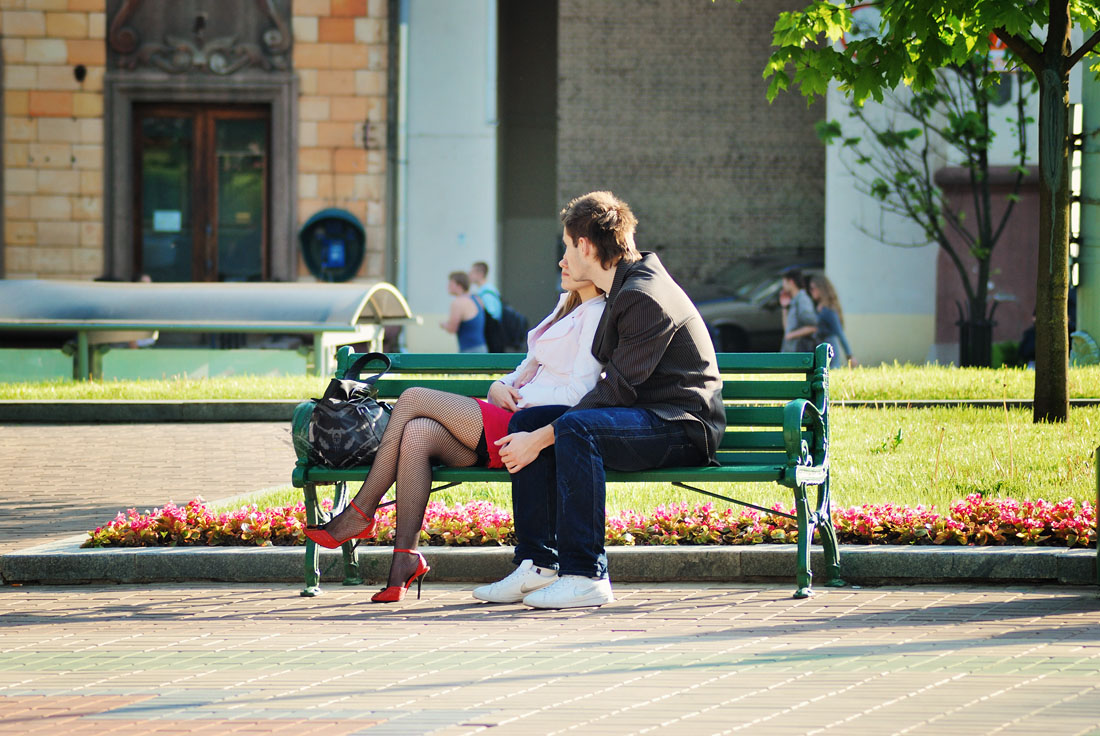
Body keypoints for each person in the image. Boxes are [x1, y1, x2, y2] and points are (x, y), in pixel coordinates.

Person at [472, 191, 725, 610]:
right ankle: (539, 563)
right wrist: (533, 429)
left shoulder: (643, 295)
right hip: (644, 415)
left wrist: (541, 439)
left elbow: (615, 390)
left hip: (681, 425)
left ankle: (586, 574)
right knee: (526, 422)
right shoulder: (622, 288)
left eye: (570, 245)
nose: (566, 255)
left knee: (572, 427)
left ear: (585, 245)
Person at [304, 262, 607, 603]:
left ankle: (361, 511)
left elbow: (579, 393)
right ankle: (404, 559)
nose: (563, 261)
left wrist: (522, 401)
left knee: (412, 397)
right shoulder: (568, 304)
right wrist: (499, 385)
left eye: (572, 252)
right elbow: (527, 367)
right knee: (418, 432)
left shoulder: (597, 313)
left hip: (528, 425)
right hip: (510, 410)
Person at [797, 273, 857, 368]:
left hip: (830, 346)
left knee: (830, 372)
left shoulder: (828, 310)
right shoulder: (819, 307)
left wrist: (849, 355)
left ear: (821, 289)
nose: (811, 291)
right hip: (821, 345)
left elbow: (840, 333)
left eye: (813, 288)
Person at [440, 271, 487, 353]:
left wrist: (444, 325)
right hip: (482, 348)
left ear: (459, 285)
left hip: (469, 350)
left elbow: (452, 328)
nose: (448, 287)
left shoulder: (458, 302)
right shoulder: (477, 299)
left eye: (451, 284)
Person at [779, 267, 818, 353]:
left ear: (791, 282)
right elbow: (787, 329)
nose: (783, 286)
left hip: (798, 352)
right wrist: (784, 308)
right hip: (790, 351)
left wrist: (791, 335)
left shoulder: (802, 300)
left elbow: (813, 327)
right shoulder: (794, 300)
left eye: (784, 282)